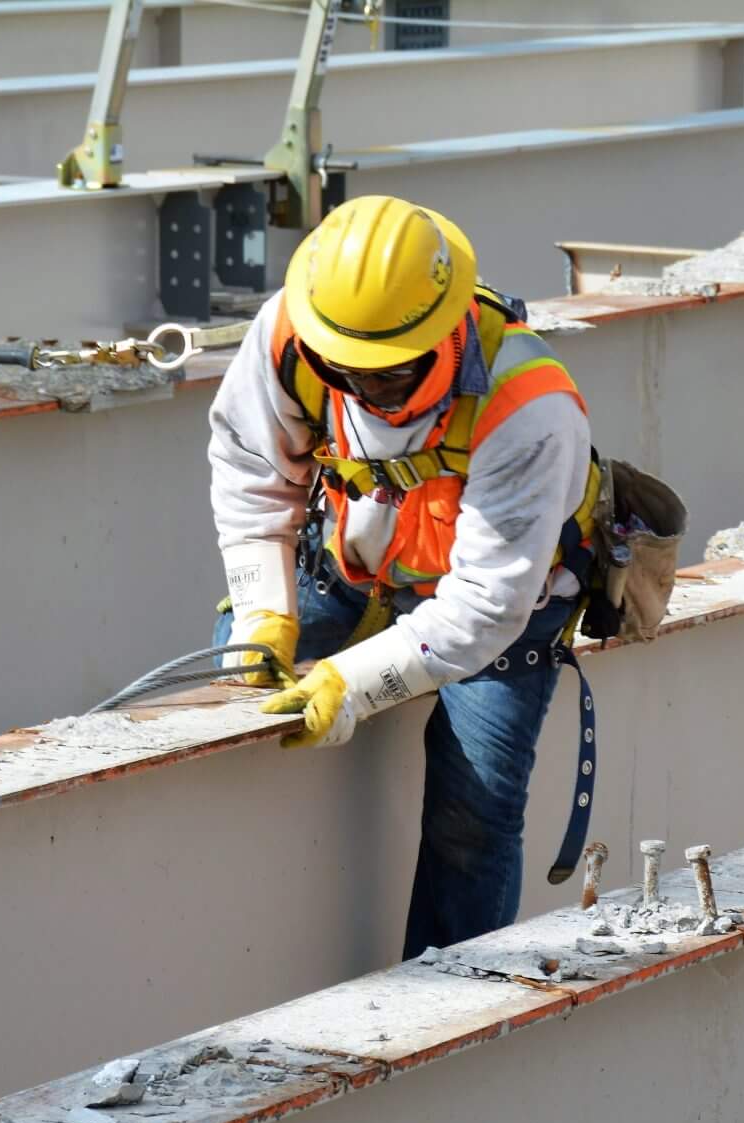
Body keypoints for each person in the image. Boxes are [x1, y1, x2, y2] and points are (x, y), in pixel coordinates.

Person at [208, 193, 599, 958]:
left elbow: (485, 608)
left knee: (475, 809)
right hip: (359, 567)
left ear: (447, 333)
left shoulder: (529, 409)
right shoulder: (294, 333)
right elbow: (251, 473)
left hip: (504, 605)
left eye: (386, 380)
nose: (357, 394)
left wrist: (353, 683)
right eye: (340, 371)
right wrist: (264, 615)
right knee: (237, 679)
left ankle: (452, 988)